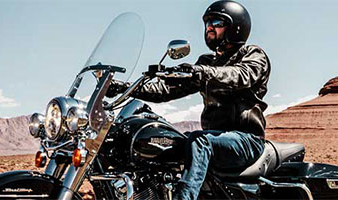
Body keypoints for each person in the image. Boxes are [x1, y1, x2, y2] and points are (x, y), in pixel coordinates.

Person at [108, 0, 270, 199]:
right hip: (214, 137)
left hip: (246, 139)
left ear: (236, 27)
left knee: (199, 141)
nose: (210, 27)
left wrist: (200, 72)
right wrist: (126, 88)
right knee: (169, 143)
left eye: (217, 22)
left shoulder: (253, 55)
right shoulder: (207, 62)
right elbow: (166, 90)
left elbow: (239, 75)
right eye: (207, 23)